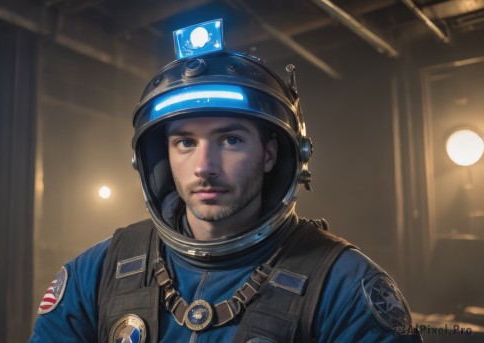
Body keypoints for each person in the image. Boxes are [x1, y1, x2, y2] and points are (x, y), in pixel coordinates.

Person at [30, 20, 422, 342]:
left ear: (272, 154)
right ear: (157, 159)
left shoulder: (345, 287)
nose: (204, 166)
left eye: (231, 140)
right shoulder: (97, 272)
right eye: (185, 142)